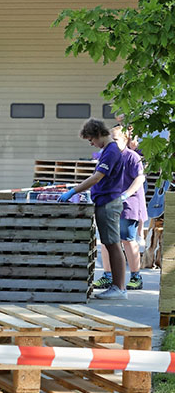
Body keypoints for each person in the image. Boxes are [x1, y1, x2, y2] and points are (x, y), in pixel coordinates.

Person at [59, 118, 128, 299]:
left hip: (108, 203)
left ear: (98, 134)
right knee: (109, 243)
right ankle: (117, 286)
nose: (91, 143)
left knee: (113, 244)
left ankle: (119, 288)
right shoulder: (107, 150)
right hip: (104, 201)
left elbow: (96, 177)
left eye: (91, 139)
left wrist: (73, 191)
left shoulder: (111, 151)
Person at [94, 124, 148, 291]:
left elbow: (140, 179)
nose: (113, 143)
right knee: (106, 241)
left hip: (128, 205)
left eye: (116, 139)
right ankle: (107, 276)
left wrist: (125, 194)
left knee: (127, 240)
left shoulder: (131, 157)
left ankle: (135, 277)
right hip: (109, 204)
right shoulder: (108, 155)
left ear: (125, 140)